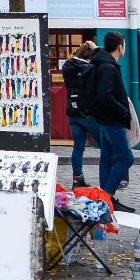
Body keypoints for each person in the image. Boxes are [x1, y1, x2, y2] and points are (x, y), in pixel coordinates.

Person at [85, 32, 135, 206]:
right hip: (111, 119)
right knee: (127, 158)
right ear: (120, 47)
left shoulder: (103, 62)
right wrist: (123, 111)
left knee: (107, 158)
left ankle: (105, 199)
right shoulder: (108, 67)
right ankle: (108, 195)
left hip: (104, 119)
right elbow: (105, 96)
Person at [60, 39, 98, 188]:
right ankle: (110, 179)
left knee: (78, 147)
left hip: (72, 110)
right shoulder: (90, 67)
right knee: (107, 145)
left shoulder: (67, 66)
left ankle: (77, 178)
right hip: (87, 111)